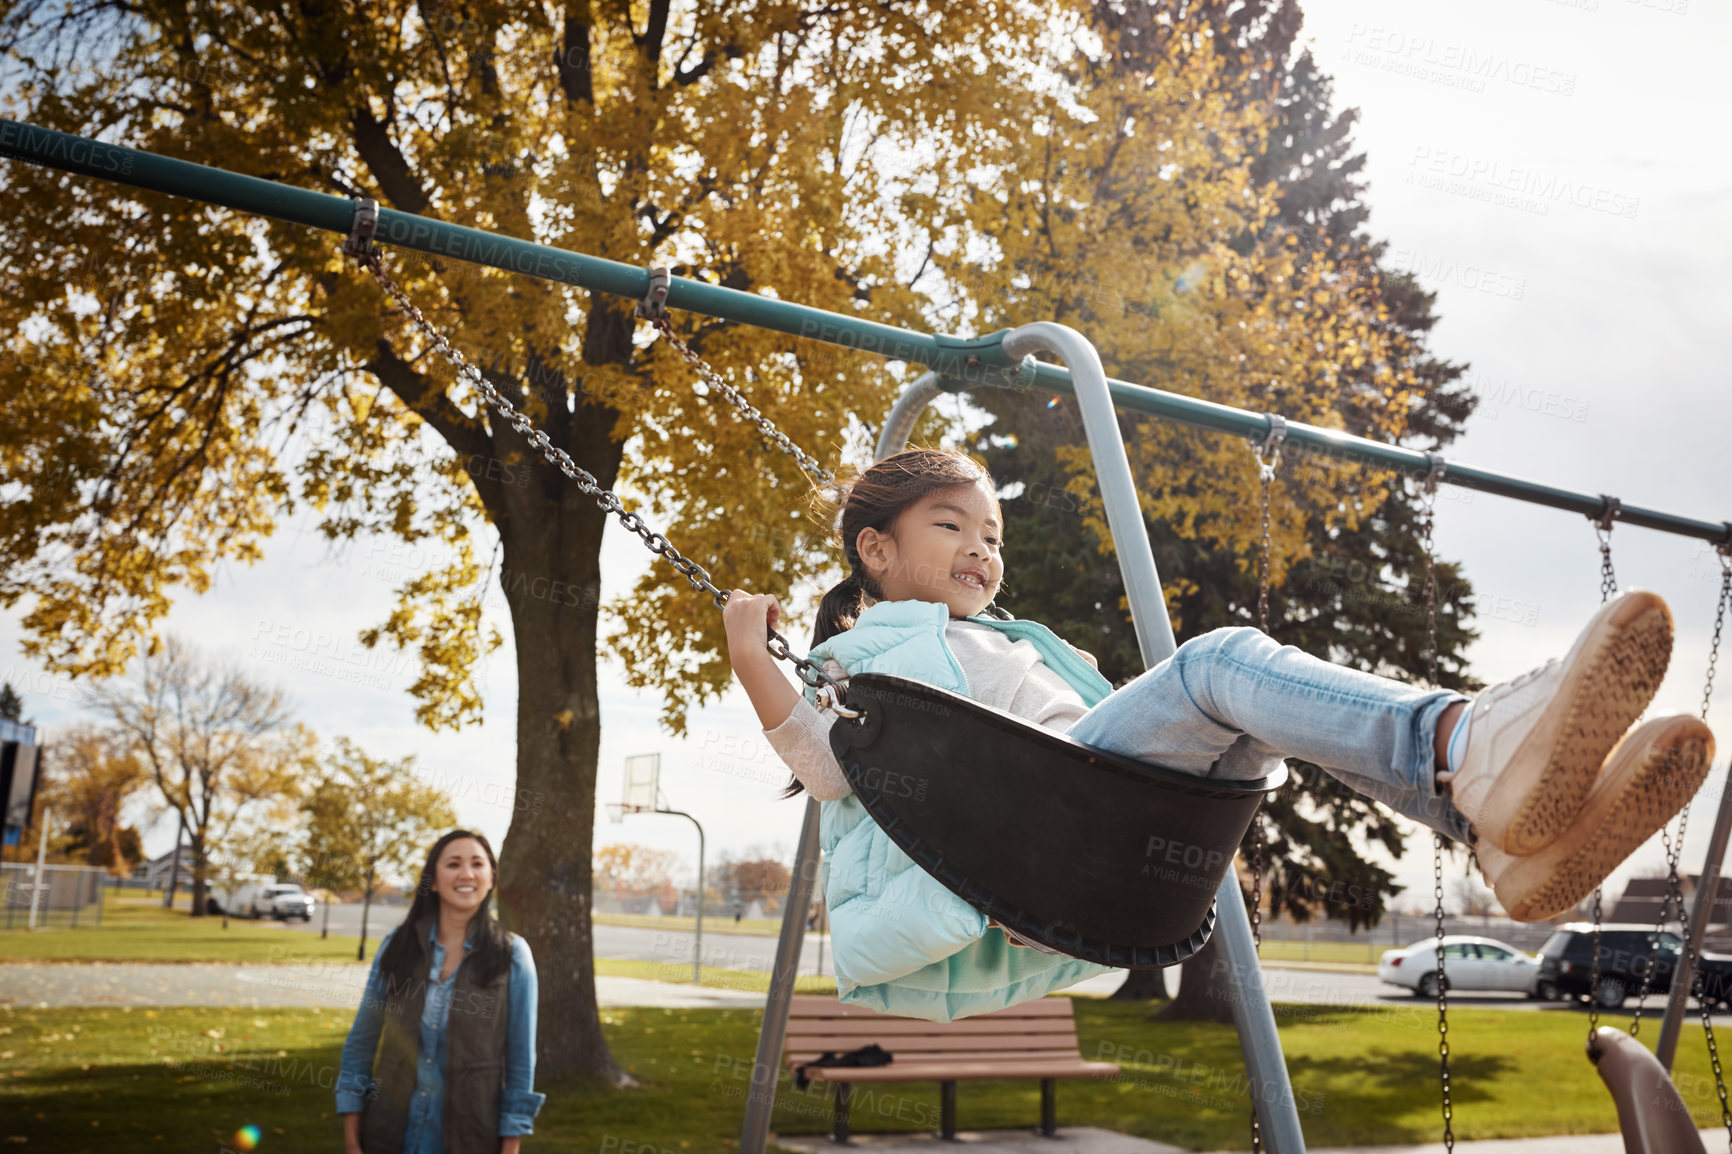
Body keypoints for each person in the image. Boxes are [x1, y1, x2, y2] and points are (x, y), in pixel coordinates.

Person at [723, 447, 1715, 1022]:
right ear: (875, 548)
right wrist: (748, 645)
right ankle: (1466, 740)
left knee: (1251, 722)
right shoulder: (870, 658)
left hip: (1093, 823)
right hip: (1043, 839)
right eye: (951, 526)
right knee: (1219, 661)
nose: (981, 548)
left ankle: (1484, 824)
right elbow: (819, 761)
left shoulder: (1000, 642)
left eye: (991, 534)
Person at [336, 830, 545, 1154]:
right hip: (388, 1138)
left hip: (471, 1141)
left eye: (477, 864)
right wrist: (351, 1141)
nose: (466, 873)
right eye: (453, 864)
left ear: (491, 879)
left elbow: (520, 1065)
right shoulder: (397, 946)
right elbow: (360, 1044)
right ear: (432, 881)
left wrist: (511, 1148)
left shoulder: (513, 955)